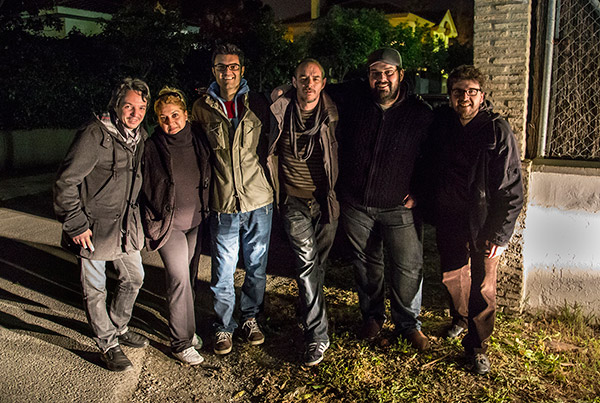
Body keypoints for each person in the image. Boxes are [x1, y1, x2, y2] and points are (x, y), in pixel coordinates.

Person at [328, 48, 433, 350]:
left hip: (400, 207)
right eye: (376, 73)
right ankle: (372, 317)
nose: (382, 79)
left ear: (401, 75)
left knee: (408, 266)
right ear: (368, 76)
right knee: (366, 264)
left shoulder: (420, 112)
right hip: (357, 204)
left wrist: (420, 191)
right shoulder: (354, 100)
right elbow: (319, 85)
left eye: (388, 72)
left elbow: (432, 158)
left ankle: (408, 324)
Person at [425, 65, 523, 374]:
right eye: (458, 92)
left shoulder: (496, 130)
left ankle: (478, 345)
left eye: (471, 91)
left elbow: (512, 187)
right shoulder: (443, 125)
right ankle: (460, 318)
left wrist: (501, 234)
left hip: (484, 221)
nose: (464, 97)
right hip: (450, 218)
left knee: (483, 285)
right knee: (453, 276)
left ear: (482, 96)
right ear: (450, 96)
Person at [53, 78, 150, 371]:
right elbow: (66, 182)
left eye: (141, 108)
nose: (135, 113)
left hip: (126, 228)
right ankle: (107, 343)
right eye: (129, 106)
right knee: (95, 289)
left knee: (134, 278)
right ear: (116, 105)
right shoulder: (95, 134)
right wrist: (75, 223)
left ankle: (118, 327)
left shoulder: (140, 137)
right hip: (92, 229)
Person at [191, 43, 273, 355]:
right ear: (213, 70)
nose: (228, 72)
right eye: (222, 66)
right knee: (223, 271)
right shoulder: (201, 108)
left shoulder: (258, 102)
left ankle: (251, 318)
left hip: (258, 201)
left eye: (234, 66)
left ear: (242, 70)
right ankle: (224, 325)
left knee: (256, 267)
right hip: (223, 202)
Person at [267, 59, 339, 366]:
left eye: (315, 78)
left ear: (324, 82)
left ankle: (308, 308)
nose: (309, 83)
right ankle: (317, 336)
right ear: (294, 81)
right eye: (303, 78)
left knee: (317, 266)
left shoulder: (333, 114)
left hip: (325, 201)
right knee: (307, 264)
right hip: (293, 200)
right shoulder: (280, 109)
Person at [140, 87, 211, 365]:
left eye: (175, 115)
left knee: (189, 279)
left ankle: (188, 333)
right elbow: (143, 186)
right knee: (178, 278)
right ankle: (180, 343)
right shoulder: (151, 147)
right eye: (163, 118)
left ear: (185, 114)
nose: (170, 122)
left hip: (196, 222)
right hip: (168, 226)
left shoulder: (198, 140)